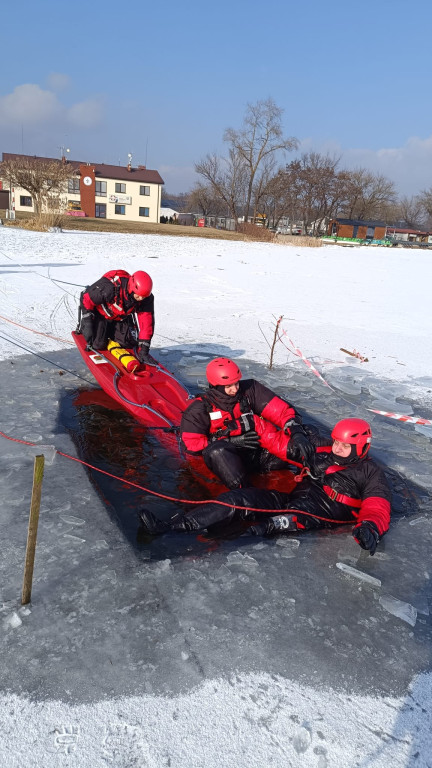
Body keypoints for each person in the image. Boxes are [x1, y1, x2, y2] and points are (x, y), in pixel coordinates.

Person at [140, 418, 391, 555]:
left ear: (361, 448)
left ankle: (204, 553)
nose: (337, 448)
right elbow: (282, 444)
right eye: (336, 442)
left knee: (263, 529)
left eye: (344, 446)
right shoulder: (325, 449)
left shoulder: (371, 473)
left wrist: (370, 527)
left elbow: (377, 508)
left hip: (313, 517)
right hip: (291, 501)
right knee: (237, 499)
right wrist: (256, 426)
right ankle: (172, 526)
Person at [179, 356, 315, 489]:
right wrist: (230, 441)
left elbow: (282, 411)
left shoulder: (250, 390)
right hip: (226, 462)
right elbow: (191, 445)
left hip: (256, 454)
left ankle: (313, 472)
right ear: (216, 386)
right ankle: (244, 492)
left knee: (308, 431)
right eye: (228, 386)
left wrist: (296, 432)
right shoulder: (199, 409)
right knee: (217, 451)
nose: (235, 389)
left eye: (236, 383)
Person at [77, 270, 154, 363]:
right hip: (101, 315)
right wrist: (88, 322)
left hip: (120, 317)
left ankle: (110, 332)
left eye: (144, 297)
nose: (141, 299)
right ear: (132, 288)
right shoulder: (109, 288)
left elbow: (146, 323)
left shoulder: (146, 298)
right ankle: (96, 330)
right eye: (138, 296)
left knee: (129, 343)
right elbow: (86, 298)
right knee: (98, 344)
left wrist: (144, 351)